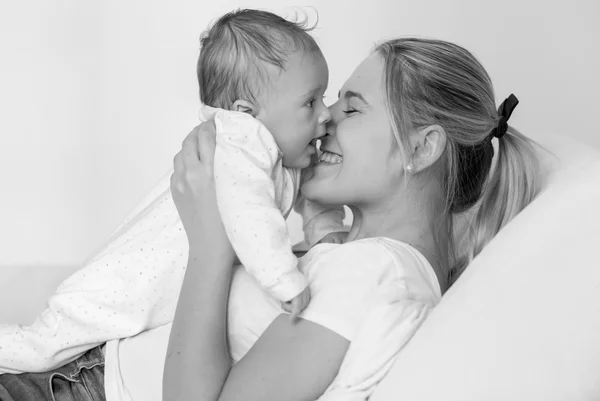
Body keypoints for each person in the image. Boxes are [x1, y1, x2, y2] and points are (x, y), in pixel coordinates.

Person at [0, 35, 542, 401]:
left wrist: (210, 241)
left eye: (352, 109)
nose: (325, 118)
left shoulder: (374, 276)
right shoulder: (365, 263)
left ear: (422, 149)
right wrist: (317, 217)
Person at [195, 9, 348, 317]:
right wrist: (283, 278)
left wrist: (325, 230)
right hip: (111, 324)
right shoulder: (240, 139)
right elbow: (249, 211)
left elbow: (309, 183)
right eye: (310, 102)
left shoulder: (284, 149)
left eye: (323, 97)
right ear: (247, 114)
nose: (326, 113)